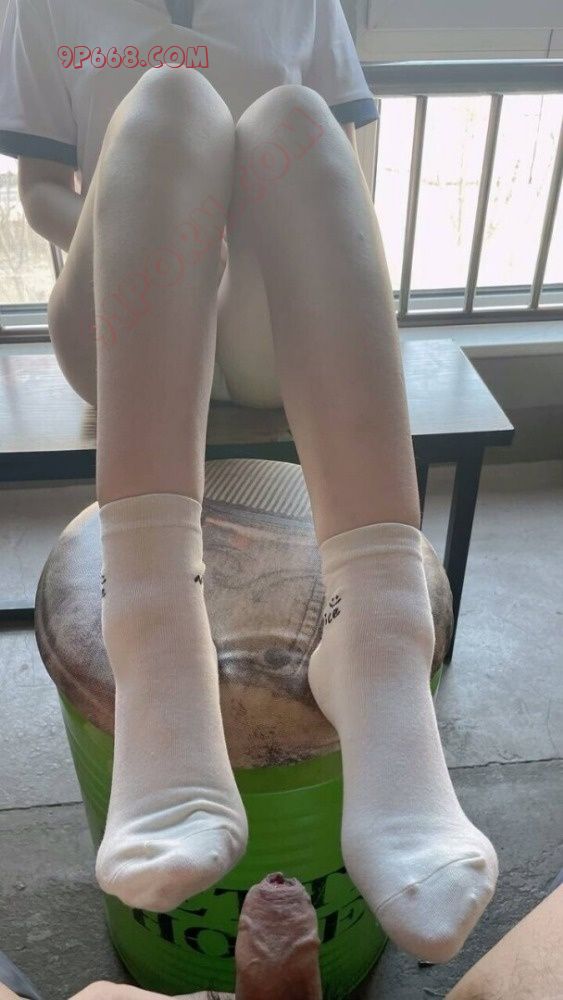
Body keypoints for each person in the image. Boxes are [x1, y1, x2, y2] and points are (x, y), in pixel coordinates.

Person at [0, 0, 498, 965]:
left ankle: (379, 633)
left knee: (296, 121)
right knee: (169, 103)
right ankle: (153, 619)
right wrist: (177, 223)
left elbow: (339, 180)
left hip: (264, 314)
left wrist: (237, 228)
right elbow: (41, 193)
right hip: (128, 304)